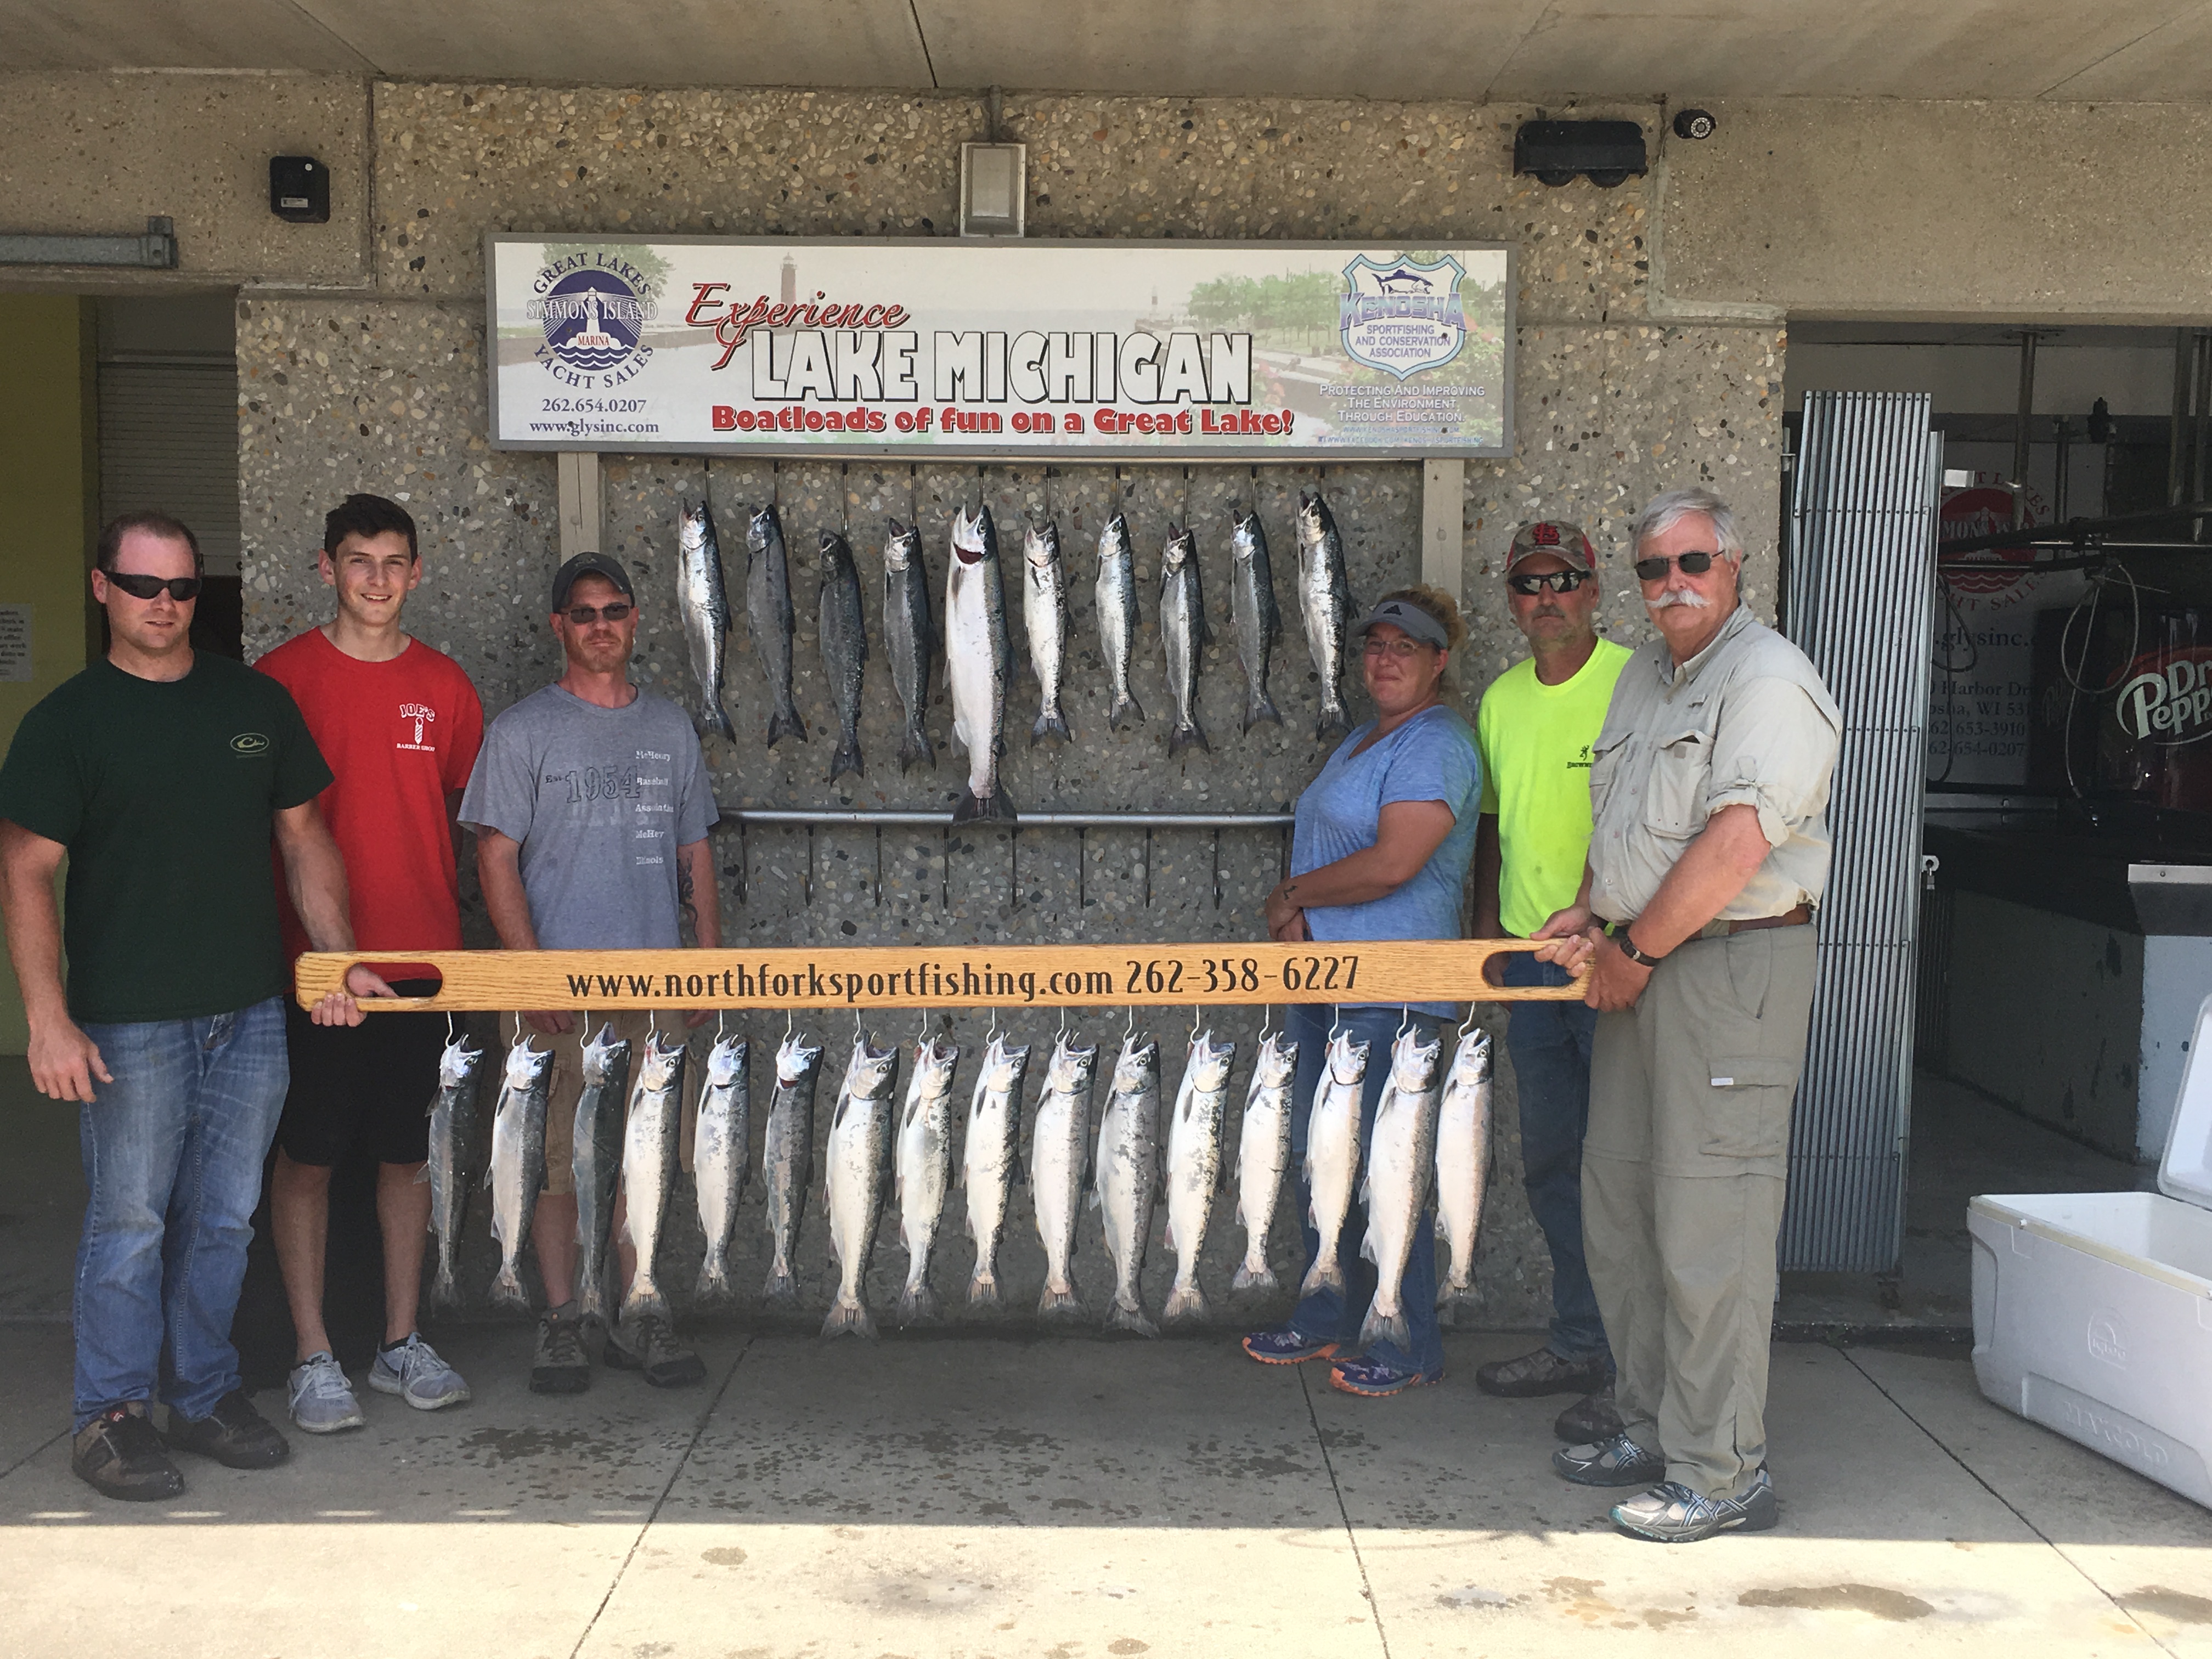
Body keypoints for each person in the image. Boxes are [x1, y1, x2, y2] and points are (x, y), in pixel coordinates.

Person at [0, 512, 385, 1503]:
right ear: (101, 590)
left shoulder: (252, 703)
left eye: (181, 590)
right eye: (142, 587)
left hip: (249, 1012)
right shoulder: (68, 723)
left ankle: (204, 1393)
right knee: (130, 1220)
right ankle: (112, 1415)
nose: (164, 606)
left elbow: (304, 840)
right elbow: (26, 871)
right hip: (129, 1020)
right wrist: (47, 1017)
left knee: (224, 1216)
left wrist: (337, 959)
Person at [1533, 486, 1840, 1544]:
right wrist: (1591, 906)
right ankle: (1650, 1423)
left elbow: (1737, 844)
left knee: (1712, 1227)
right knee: (1619, 1212)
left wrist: (1635, 948)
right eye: (1655, 570)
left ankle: (1722, 1469)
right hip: (1637, 964)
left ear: (1736, 564)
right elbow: (1620, 820)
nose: (1673, 585)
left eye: (1693, 563)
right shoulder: (1646, 680)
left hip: (1724, 971)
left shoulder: (1769, 679)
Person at [459, 551, 720, 1394]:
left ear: (638, 619)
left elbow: (696, 849)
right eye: (584, 613)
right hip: (554, 995)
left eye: (614, 610)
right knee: (554, 1157)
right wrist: (530, 979)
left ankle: (638, 1306)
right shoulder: (523, 730)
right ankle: (564, 1318)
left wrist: (710, 966)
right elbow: (494, 857)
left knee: (644, 1158)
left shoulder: (671, 727)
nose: (600, 625)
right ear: (558, 627)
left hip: (657, 989)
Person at [256, 494, 485, 1432]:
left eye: (395, 563)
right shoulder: (280, 683)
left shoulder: (448, 687)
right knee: (307, 1158)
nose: (377, 581)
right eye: (359, 562)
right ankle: (312, 1353)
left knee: (407, 1154)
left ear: (418, 573)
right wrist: (314, 958)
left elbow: (473, 824)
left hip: (424, 968)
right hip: (311, 971)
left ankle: (399, 1341)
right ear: (326, 569)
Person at [1240, 586, 1483, 1398]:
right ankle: (1325, 1315)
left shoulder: (1437, 741)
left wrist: (1295, 894)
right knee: (1326, 1161)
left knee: (1389, 1171)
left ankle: (1408, 1338)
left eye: (1404, 648)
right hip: (1328, 987)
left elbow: (1394, 862)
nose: (1384, 660)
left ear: (1439, 661)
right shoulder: (1362, 740)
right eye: (1375, 645)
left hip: (1391, 993)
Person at [1471, 521, 1632, 1442]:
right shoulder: (1499, 701)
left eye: (1565, 579)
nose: (1548, 598)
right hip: (1532, 967)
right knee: (1551, 1165)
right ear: (1513, 602)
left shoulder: (1634, 685)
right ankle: (1578, 1340)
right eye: (1530, 584)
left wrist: (1614, 932)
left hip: (1610, 961)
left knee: (1623, 1175)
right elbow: (1493, 827)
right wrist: (1485, 937)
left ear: (1594, 586)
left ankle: (1631, 1369)